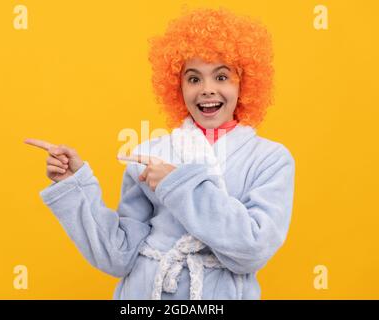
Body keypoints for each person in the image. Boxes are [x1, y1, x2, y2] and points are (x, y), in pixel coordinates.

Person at [25, 7, 295, 300]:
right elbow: (118, 256)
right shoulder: (150, 153)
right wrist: (73, 184)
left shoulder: (270, 159)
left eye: (221, 77)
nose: (206, 89)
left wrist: (176, 184)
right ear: (176, 87)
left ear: (245, 83)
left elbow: (252, 249)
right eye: (193, 79)